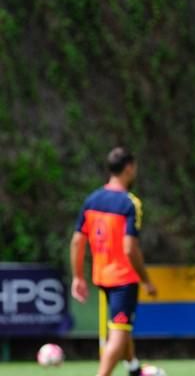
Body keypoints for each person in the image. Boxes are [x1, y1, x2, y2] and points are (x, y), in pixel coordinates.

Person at [70, 147, 157, 376]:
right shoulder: (130, 203)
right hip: (123, 279)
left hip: (101, 277)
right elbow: (130, 248)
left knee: (122, 325)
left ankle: (134, 368)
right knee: (118, 332)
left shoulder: (91, 200)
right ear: (128, 168)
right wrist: (146, 280)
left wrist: (78, 276)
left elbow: (77, 242)